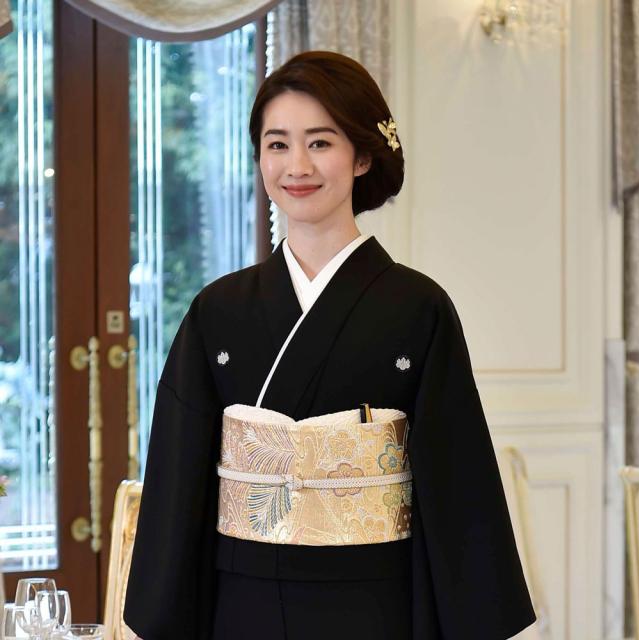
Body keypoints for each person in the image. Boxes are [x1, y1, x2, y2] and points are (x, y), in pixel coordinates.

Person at [123, 50, 537, 640]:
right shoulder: (218, 311)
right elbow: (178, 478)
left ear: (362, 156)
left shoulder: (418, 308)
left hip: (373, 597)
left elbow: (457, 481)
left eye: (320, 142)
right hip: (242, 598)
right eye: (277, 144)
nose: (297, 166)